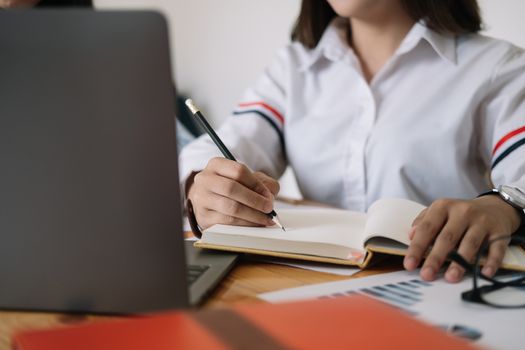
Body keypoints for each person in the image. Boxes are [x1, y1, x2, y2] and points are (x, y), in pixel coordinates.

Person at [189, 0, 524, 283]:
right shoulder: (292, 69)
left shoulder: (496, 68)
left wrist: (504, 206)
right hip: (310, 282)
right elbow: (221, 148)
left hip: (442, 283)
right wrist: (204, 185)